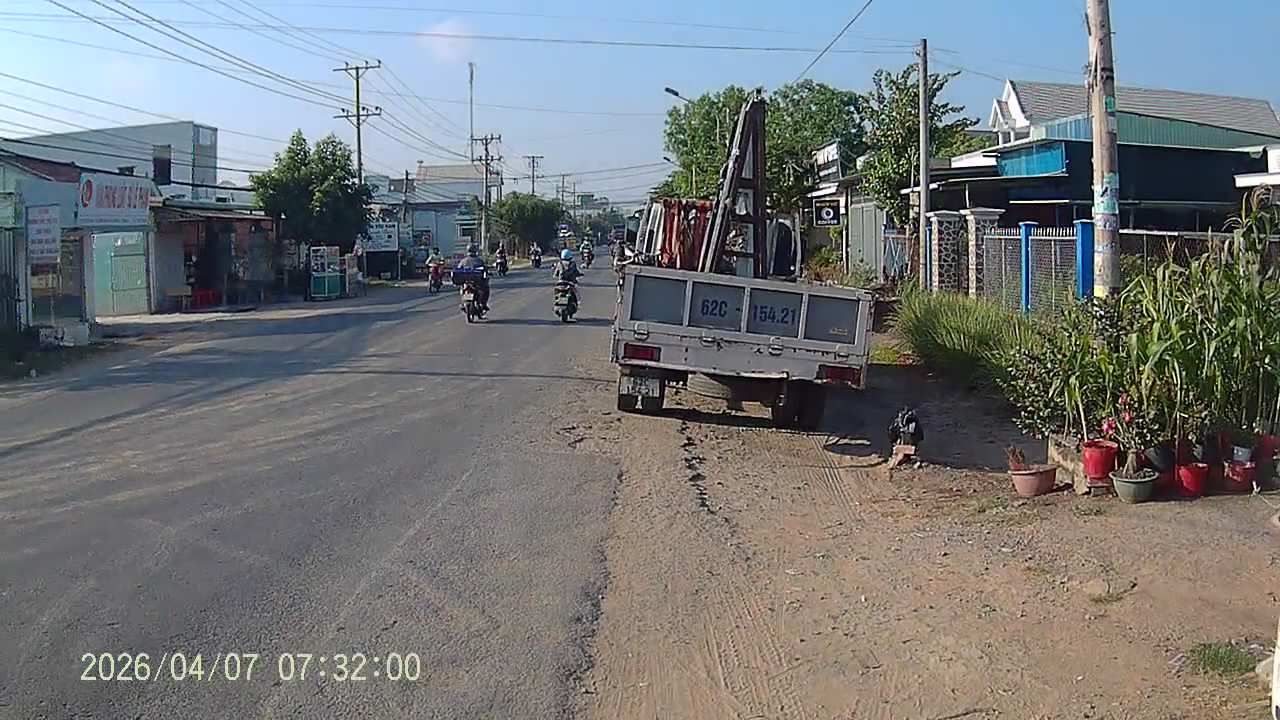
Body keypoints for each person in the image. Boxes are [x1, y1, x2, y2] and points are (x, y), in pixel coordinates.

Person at [454, 242, 490, 313]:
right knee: (486, 288)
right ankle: (483, 304)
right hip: (475, 282)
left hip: (469, 282)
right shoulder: (479, 260)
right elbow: (485, 270)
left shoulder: (463, 261)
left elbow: (458, 269)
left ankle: (480, 304)